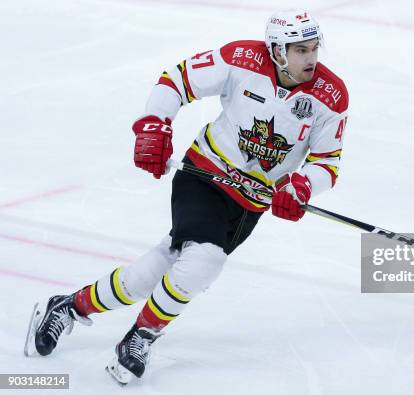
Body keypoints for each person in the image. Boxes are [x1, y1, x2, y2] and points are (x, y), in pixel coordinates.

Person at [24, 9, 349, 385]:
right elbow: (176, 79)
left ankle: (70, 306)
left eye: (314, 49)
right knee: (204, 262)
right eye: (301, 50)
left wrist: (301, 186)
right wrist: (155, 123)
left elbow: (327, 161)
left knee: (162, 266)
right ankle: (142, 334)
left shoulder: (331, 95)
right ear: (277, 51)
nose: (311, 58)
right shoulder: (241, 58)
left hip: (250, 204)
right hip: (204, 174)